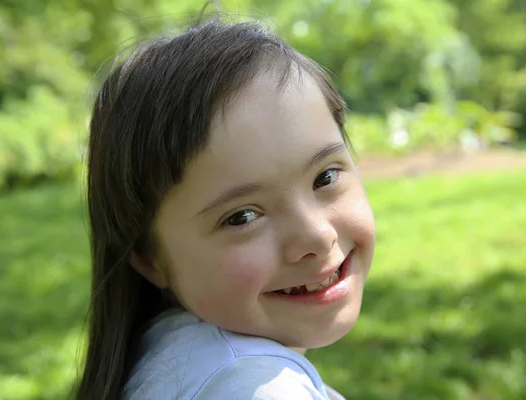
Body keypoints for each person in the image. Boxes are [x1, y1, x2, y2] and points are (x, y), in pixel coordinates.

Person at [77, 18, 376, 400]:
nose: (317, 235)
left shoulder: (170, 355)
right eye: (242, 217)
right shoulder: (253, 388)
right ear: (150, 257)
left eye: (325, 178)